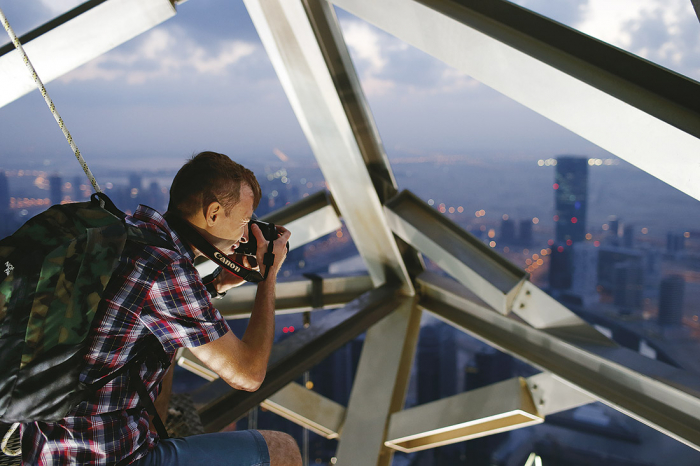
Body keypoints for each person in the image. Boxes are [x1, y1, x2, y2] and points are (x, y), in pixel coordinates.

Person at [20, 152, 300, 466]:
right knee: (282, 450)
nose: (246, 234)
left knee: (162, 350)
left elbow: (134, 313)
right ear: (214, 213)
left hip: (47, 450)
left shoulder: (126, 236)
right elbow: (248, 375)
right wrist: (268, 274)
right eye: (245, 221)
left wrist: (218, 284)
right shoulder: (166, 267)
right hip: (108, 457)